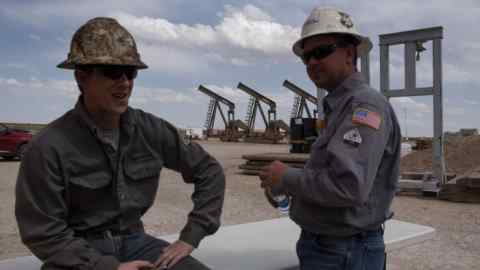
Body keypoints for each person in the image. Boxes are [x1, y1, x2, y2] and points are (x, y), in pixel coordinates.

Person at [15, 17, 225, 270]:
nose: (124, 82)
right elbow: (44, 233)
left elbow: (208, 171)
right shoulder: (48, 146)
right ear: (81, 77)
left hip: (137, 243)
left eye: (130, 72)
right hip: (78, 256)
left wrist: (190, 237)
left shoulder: (150, 130)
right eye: (113, 72)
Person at [259, 7, 401, 270]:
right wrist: (287, 186)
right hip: (332, 248)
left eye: (321, 52)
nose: (311, 62)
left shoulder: (364, 106)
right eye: (306, 57)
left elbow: (347, 187)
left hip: (343, 251)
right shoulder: (339, 106)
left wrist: (286, 177)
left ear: (349, 54)